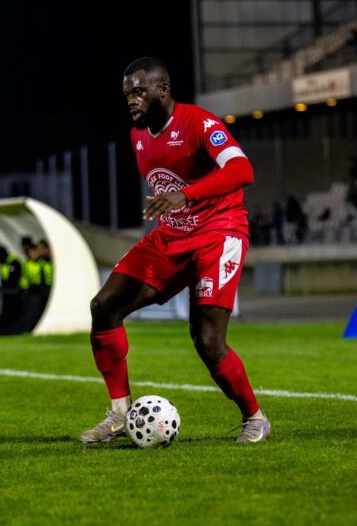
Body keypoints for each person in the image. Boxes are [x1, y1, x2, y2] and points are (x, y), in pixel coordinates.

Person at [80, 56, 270, 445]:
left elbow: (242, 170)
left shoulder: (199, 123)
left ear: (162, 90)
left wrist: (185, 195)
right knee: (104, 306)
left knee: (207, 340)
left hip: (219, 234)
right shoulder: (137, 136)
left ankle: (255, 418)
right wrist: (173, 206)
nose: (131, 100)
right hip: (172, 237)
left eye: (138, 91)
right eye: (126, 94)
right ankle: (118, 415)